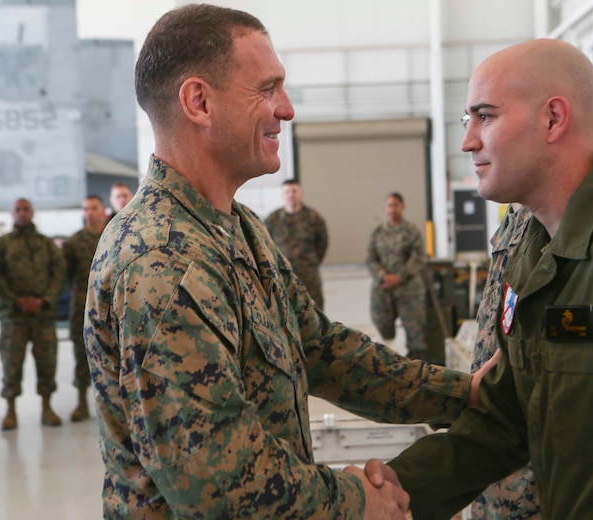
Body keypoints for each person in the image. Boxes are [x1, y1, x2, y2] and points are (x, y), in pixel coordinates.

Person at [85, 5, 496, 518]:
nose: (286, 109)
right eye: (267, 88)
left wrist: (462, 394)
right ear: (199, 102)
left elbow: (322, 349)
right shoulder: (159, 261)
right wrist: (356, 503)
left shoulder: (237, 228)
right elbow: (220, 483)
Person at [365, 38, 593, 518]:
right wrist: (392, 488)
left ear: (553, 118)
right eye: (469, 120)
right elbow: (506, 420)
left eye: (486, 116)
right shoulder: (533, 254)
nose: (468, 141)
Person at [468, 204, 540, 519]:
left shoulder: (547, 219)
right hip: (491, 430)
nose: (469, 150)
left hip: (524, 456)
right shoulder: (513, 214)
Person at [0, 198, 66, 430]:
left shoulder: (46, 244)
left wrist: (44, 299)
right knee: (11, 364)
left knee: (47, 363)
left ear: (32, 213)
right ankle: (10, 410)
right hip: (14, 316)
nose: (22, 213)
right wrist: (16, 300)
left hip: (42, 314)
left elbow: (59, 273)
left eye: (26, 209)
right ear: (12, 214)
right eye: (17, 210)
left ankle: (47, 407)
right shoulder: (2, 245)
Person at [366, 192, 428, 359]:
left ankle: (418, 369)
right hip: (383, 289)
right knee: (383, 329)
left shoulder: (411, 231)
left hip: (409, 289)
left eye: (396, 205)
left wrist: (399, 277)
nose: (392, 209)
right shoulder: (378, 233)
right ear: (385, 208)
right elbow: (371, 259)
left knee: (416, 334)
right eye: (389, 205)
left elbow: (418, 257)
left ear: (402, 207)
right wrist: (383, 276)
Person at [62, 195, 106, 422]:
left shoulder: (114, 235)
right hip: (82, 306)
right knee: (82, 356)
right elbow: (65, 276)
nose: (89, 213)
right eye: (86, 209)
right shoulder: (73, 243)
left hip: (110, 307)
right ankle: (81, 402)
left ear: (103, 211)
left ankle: (113, 406)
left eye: (93, 208)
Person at [264, 179, 328, 309]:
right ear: (282, 195)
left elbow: (322, 243)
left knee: (315, 310)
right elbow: (264, 244)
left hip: (308, 275)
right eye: (287, 192)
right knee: (284, 310)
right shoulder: (273, 219)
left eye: (294, 191)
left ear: (301, 193)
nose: (291, 195)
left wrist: (312, 262)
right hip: (282, 275)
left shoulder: (313, 217)